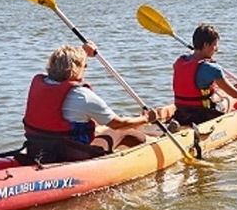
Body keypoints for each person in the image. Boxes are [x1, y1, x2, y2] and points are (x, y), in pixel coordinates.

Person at [22, 42, 158, 164]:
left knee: (97, 127)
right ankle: (148, 147)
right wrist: (147, 118)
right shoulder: (83, 96)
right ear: (75, 69)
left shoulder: (41, 84)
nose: (85, 68)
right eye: (84, 65)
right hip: (73, 154)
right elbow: (118, 124)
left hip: (39, 149)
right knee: (124, 132)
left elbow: (69, 63)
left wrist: (84, 52)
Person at [172, 24, 237, 126]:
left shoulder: (180, 61)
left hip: (181, 112)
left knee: (216, 95)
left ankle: (177, 124)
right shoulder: (212, 69)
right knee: (227, 99)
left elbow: (192, 60)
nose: (216, 49)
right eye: (214, 45)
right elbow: (234, 94)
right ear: (206, 45)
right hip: (202, 115)